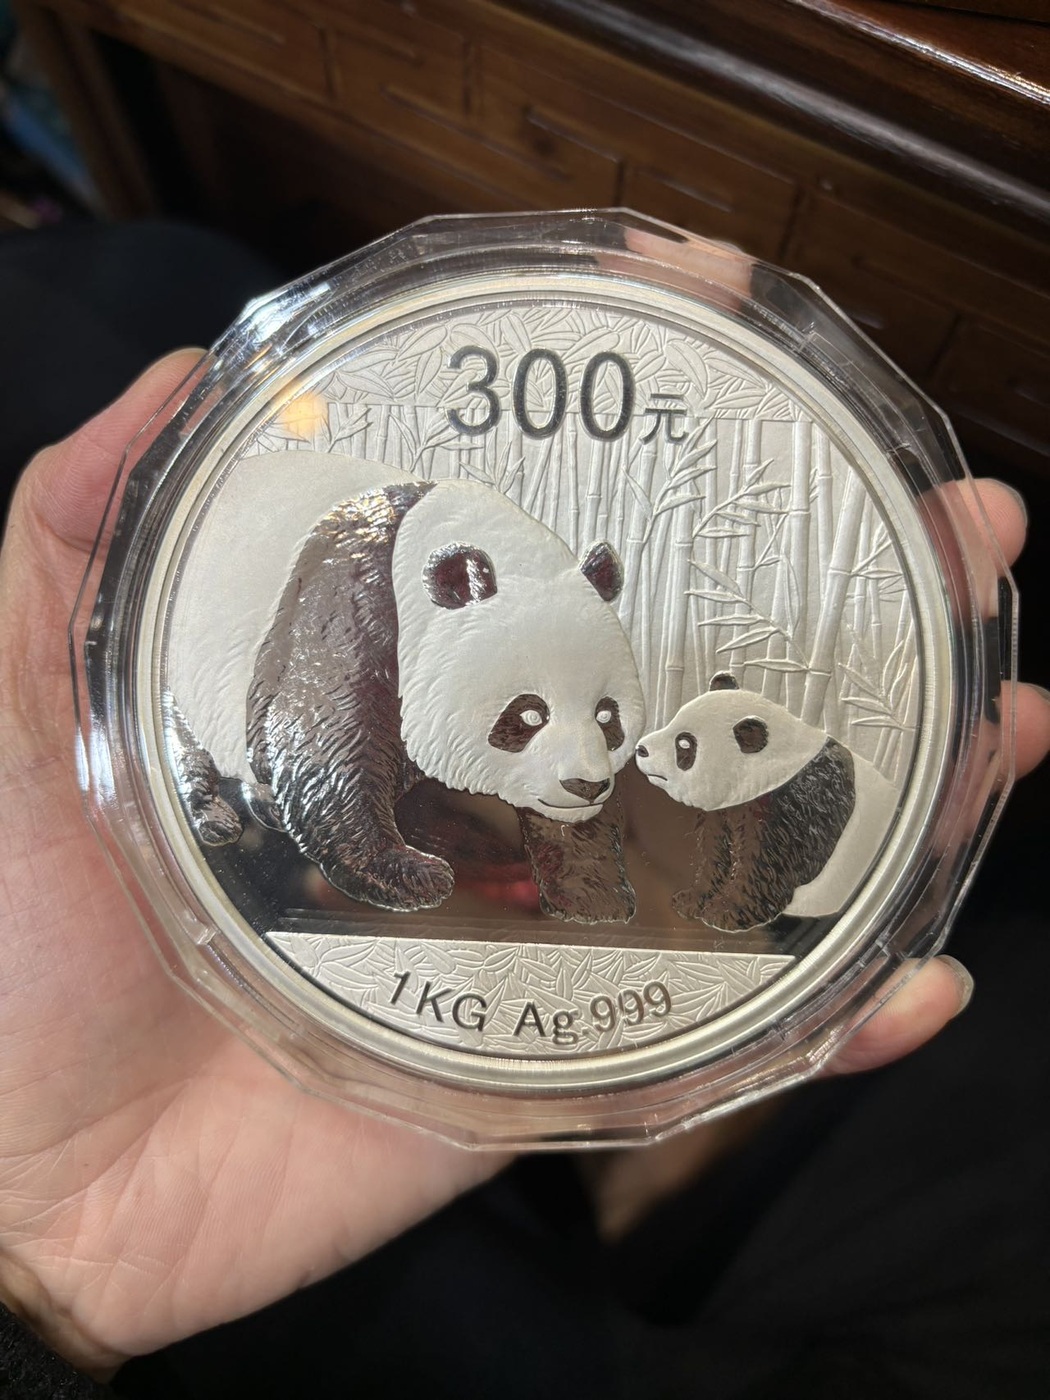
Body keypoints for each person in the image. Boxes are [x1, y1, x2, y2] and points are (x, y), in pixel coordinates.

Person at [0, 352, 1048, 1395]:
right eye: (533, 721)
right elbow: (327, 771)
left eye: (610, 722)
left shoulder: (506, 611)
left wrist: (45, 1267)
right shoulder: (356, 602)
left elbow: (542, 738)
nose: (592, 763)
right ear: (455, 591)